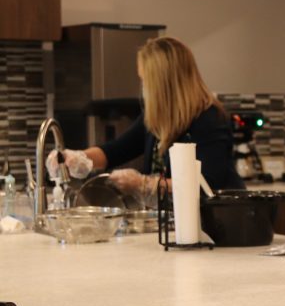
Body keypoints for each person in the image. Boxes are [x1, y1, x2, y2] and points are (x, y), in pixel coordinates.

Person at [47, 36, 243, 206]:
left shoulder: (209, 118)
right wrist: (76, 157)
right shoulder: (157, 116)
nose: (143, 87)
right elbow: (115, 151)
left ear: (163, 82)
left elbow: (207, 183)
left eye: (146, 80)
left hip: (218, 224)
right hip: (174, 225)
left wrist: (144, 184)